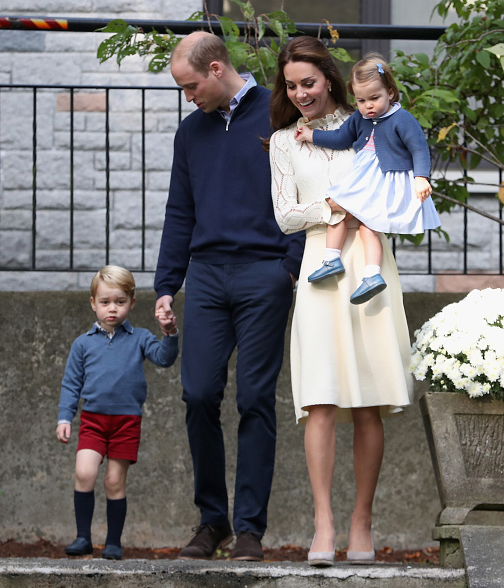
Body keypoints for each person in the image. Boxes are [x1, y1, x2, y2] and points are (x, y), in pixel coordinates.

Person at [154, 31, 304, 561]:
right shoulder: (190, 132)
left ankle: (249, 531)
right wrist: (167, 285)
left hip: (266, 273)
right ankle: (211, 521)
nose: (187, 96)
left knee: (256, 400)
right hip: (208, 277)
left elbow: (306, 191)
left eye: (190, 85)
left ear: (217, 69)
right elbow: (180, 211)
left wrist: (288, 268)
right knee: (197, 394)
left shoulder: (278, 114)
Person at [269, 36, 413, 566]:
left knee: (369, 398)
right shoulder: (285, 142)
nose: (301, 92)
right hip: (317, 264)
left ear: (328, 78)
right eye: (291, 85)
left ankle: (361, 523)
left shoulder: (372, 122)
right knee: (321, 398)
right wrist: (334, 206)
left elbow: (396, 182)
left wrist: (363, 205)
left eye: (308, 82)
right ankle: (324, 524)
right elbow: (286, 215)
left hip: (370, 260)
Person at [295, 53, 440, 304]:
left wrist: (421, 178)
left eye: (374, 98)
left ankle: (368, 273)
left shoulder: (402, 119)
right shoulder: (360, 118)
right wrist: (311, 135)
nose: (368, 106)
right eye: (361, 100)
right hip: (364, 177)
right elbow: (340, 137)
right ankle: (336, 261)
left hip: (386, 180)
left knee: (361, 220)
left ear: (390, 93)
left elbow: (419, 148)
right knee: (341, 211)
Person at [56, 265, 179, 560]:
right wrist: (64, 417)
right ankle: (83, 537)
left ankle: (113, 542)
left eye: (120, 302)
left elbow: (164, 358)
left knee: (114, 481)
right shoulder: (83, 343)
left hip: (126, 422)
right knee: (84, 472)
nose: (112, 309)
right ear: (93, 303)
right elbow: (71, 383)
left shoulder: (140, 338)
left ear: (132, 303)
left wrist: (170, 333)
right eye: (105, 302)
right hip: (93, 420)